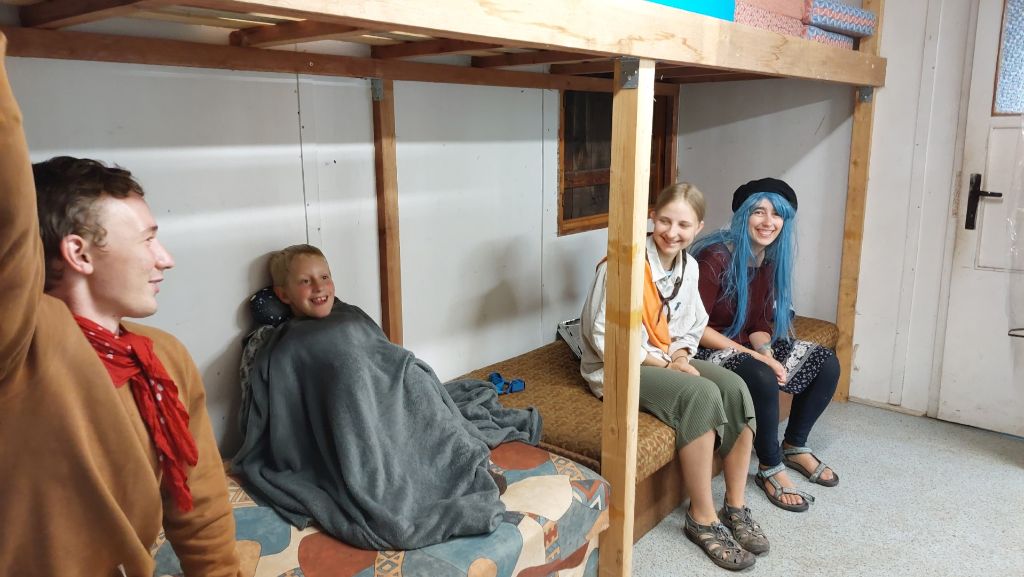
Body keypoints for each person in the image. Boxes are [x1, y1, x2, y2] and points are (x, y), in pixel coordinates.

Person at [0, 37, 241, 576]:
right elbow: (9, 225)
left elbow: (200, 503)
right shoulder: (22, 345)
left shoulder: (162, 356)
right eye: (148, 239)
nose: (165, 258)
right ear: (79, 253)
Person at [231, 244, 539, 550]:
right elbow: (293, 399)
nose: (319, 287)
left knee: (420, 389)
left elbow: (381, 350)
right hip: (351, 407)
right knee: (357, 398)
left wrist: (400, 372)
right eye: (305, 281)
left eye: (324, 277)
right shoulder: (287, 343)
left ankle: (460, 468)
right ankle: (430, 488)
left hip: (390, 390)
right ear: (283, 295)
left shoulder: (349, 314)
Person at [580, 183, 767, 571]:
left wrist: (680, 355)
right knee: (701, 394)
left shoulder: (689, 266)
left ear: (698, 228)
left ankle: (735, 506)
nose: (672, 232)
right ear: (652, 217)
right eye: (665, 221)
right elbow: (604, 337)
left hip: (667, 358)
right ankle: (702, 517)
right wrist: (666, 365)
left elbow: (691, 325)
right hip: (619, 366)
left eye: (683, 225)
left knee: (734, 387)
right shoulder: (622, 266)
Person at [690, 177, 840, 514]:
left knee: (825, 362)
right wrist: (757, 359)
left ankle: (795, 445)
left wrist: (768, 353)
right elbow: (694, 329)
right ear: (743, 215)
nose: (768, 221)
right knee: (760, 373)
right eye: (759, 211)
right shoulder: (713, 257)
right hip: (703, 349)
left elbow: (759, 324)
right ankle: (770, 466)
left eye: (777, 214)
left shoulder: (768, 259)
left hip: (741, 346)